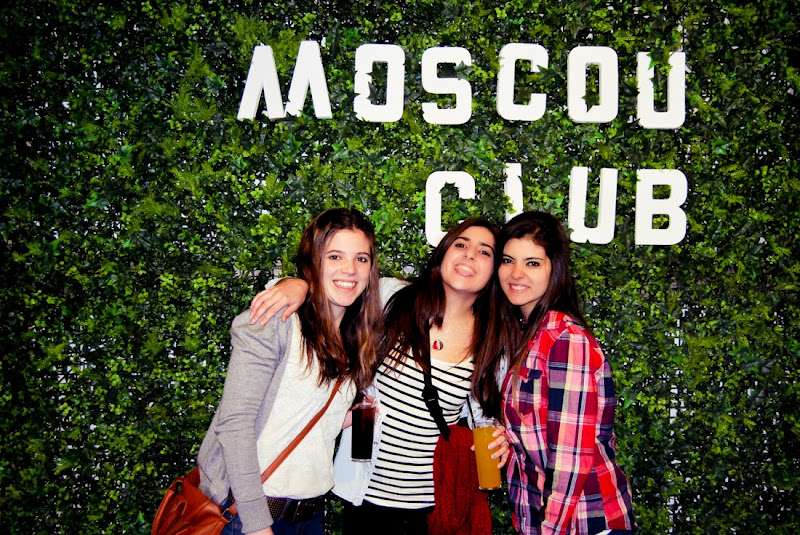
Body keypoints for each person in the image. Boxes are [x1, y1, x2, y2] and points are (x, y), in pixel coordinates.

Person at [250, 218, 510, 535]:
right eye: (460, 244)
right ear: (443, 252)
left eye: (484, 252)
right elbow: (334, 291)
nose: (469, 254)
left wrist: (497, 440)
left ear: (494, 270)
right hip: (367, 495)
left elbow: (485, 418)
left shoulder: (491, 339)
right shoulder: (392, 296)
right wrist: (298, 285)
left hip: (433, 504)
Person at [196, 208, 383, 535]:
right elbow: (235, 424)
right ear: (313, 262)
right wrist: (257, 525)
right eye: (335, 256)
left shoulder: (351, 340)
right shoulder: (276, 323)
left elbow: (293, 413)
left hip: (309, 516)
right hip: (250, 516)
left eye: (361, 259)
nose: (350, 269)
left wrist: (342, 418)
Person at [495, 211, 636, 535]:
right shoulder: (529, 334)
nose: (516, 273)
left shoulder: (565, 339)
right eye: (508, 260)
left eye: (532, 263)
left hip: (584, 522)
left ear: (554, 269)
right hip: (543, 518)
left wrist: (550, 529)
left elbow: (571, 460)